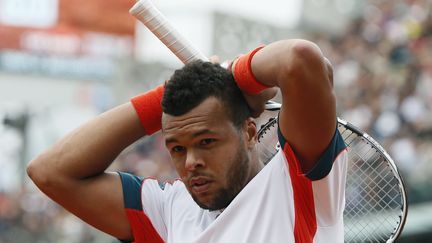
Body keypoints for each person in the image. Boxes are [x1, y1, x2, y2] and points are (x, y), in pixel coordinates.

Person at [27, 39, 348, 243]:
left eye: (206, 142)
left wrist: (233, 72)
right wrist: (164, 97)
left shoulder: (296, 182)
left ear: (250, 132)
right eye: (177, 149)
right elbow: (49, 171)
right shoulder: (167, 210)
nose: (191, 161)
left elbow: (300, 58)